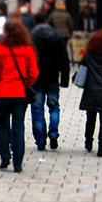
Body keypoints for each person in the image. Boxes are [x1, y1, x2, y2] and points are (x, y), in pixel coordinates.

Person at [0, 21, 39, 173]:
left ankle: (4, 156)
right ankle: (18, 163)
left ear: (7, 32)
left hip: (1, 93)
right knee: (18, 127)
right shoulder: (27, 49)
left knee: (1, 125)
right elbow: (34, 71)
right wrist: (27, 83)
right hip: (20, 94)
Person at [30, 12, 70, 151]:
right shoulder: (57, 36)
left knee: (37, 110)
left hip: (36, 79)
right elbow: (64, 59)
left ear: (35, 21)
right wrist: (64, 79)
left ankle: (41, 141)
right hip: (53, 78)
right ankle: (53, 133)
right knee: (54, 106)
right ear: (47, 21)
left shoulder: (31, 36)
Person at [78, 30, 102, 157]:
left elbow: (82, 71)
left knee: (91, 117)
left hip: (91, 91)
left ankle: (89, 141)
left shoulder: (89, 56)